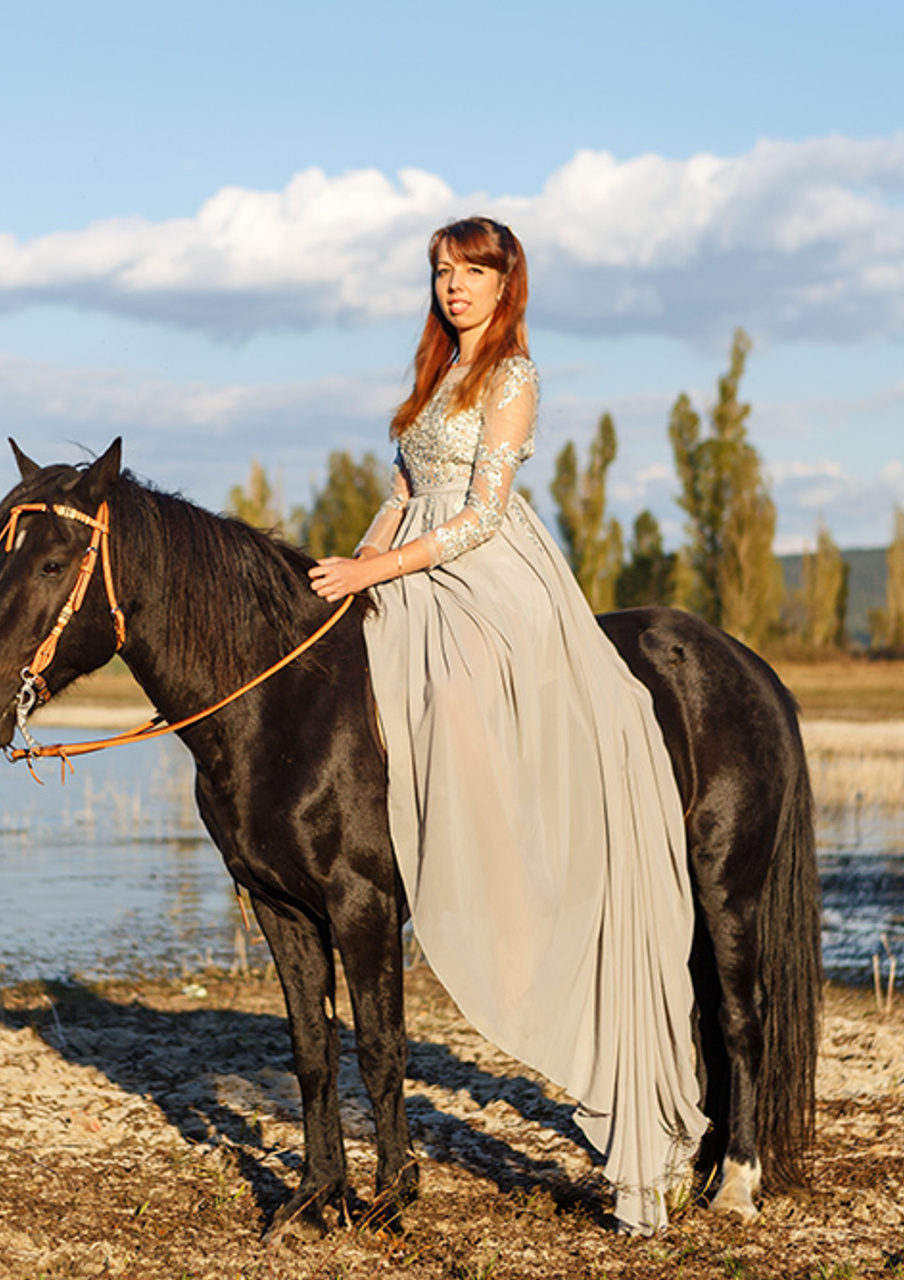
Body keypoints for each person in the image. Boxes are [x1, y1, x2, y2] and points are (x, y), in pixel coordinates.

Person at [307, 216, 707, 1234]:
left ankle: (496, 855)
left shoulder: (512, 374)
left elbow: (480, 515)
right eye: (443, 271)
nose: (454, 286)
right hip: (411, 553)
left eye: (473, 271)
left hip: (484, 573)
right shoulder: (432, 376)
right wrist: (344, 573)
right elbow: (401, 492)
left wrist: (385, 565)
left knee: (456, 689)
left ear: (504, 281)